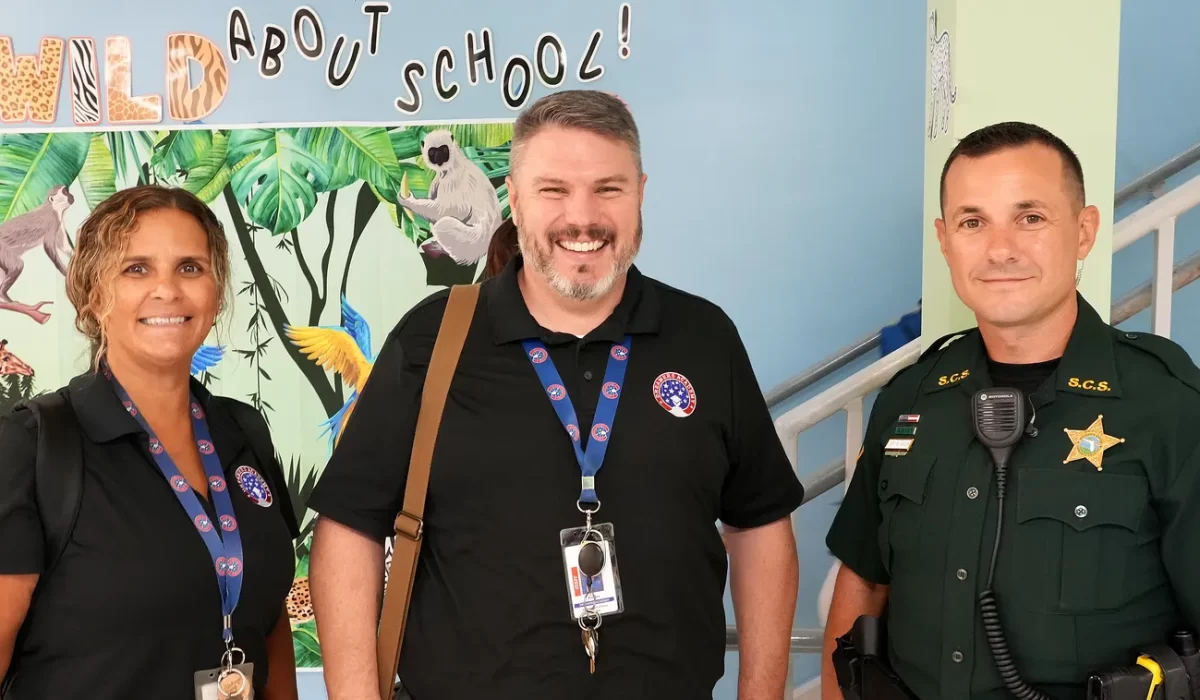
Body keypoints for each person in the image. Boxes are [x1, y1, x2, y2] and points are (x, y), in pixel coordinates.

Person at [307, 89, 805, 700]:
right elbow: (349, 530)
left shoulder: (704, 338)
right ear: (513, 199)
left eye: (608, 188)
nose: (583, 217)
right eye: (553, 190)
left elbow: (758, 525)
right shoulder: (431, 340)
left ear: (641, 193)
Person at [821, 122, 1200, 700]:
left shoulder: (1166, 404)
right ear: (945, 241)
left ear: (1084, 231)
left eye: (1030, 218)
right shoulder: (912, 398)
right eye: (974, 222)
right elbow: (864, 583)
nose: (1000, 249)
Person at [0, 185, 301, 699]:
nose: (168, 290)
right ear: (93, 294)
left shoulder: (242, 432)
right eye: (136, 268)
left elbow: (268, 624)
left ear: (215, 289)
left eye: (190, 268)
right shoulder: (32, 448)